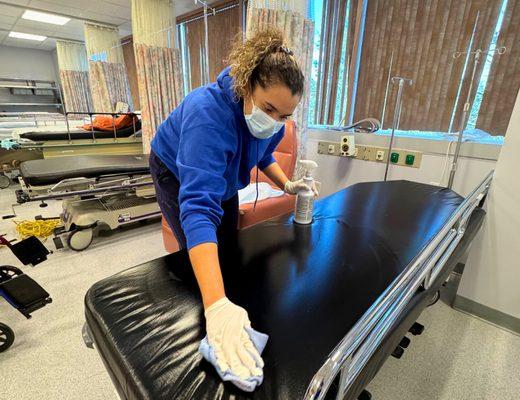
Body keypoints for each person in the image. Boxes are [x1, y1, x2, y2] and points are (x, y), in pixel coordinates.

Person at [149, 29, 317, 380]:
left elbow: (264, 153)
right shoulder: (206, 113)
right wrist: (215, 307)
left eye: (284, 116)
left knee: (226, 242)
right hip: (172, 168)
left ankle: (222, 298)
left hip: (220, 172)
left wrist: (286, 183)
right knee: (195, 240)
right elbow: (197, 206)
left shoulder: (271, 120)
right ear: (246, 85)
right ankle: (208, 312)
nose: (275, 121)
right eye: (269, 109)